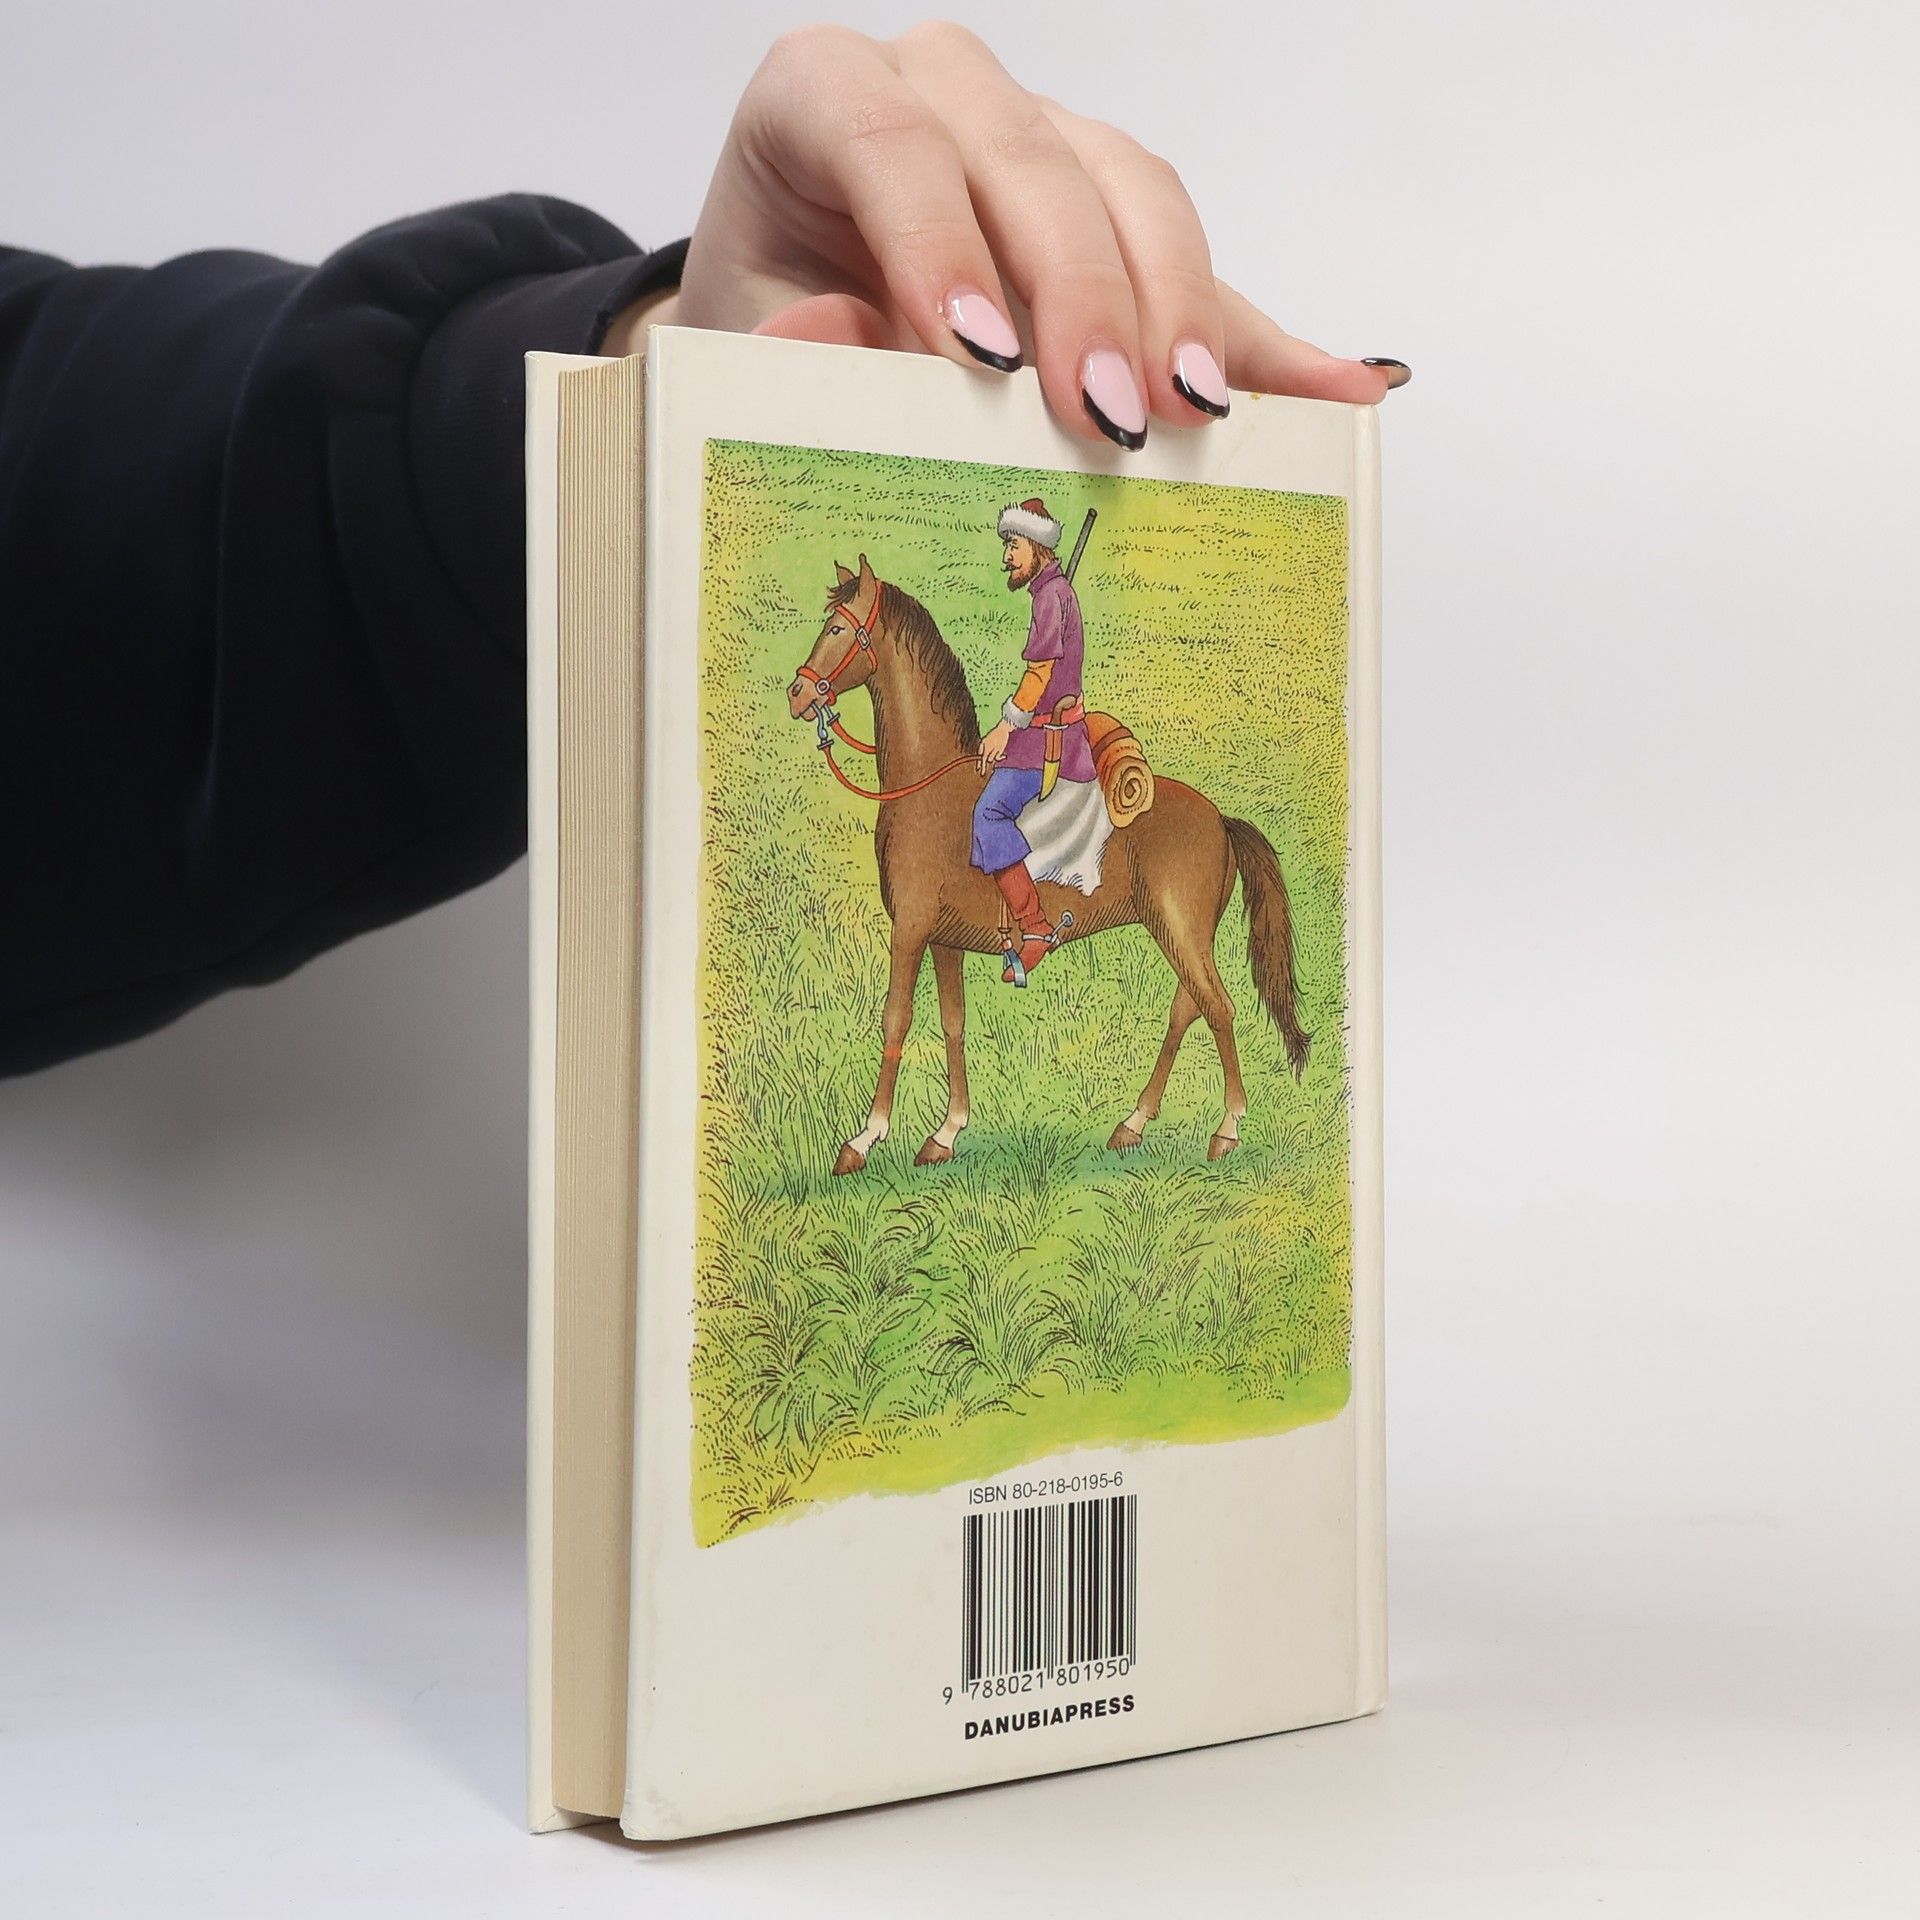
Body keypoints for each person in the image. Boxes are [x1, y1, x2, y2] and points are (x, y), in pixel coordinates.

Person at [0, 21, 1407, 1077]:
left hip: (1050, 728)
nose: (1017, 566)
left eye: (1023, 554)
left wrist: (628, 398)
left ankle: (1030, 923)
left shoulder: (1056, 615)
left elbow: (51, 423)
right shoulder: (1024, 599)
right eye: (1020, 556)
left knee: (990, 821)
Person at [972, 499, 1096, 983]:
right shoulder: (1051, 591)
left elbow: (1040, 673)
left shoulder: (1050, 597)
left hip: (1050, 743)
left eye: (1013, 545)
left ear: (1037, 548)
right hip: (1042, 732)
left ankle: (1035, 927)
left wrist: (1005, 726)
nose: (1006, 556)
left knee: (988, 812)